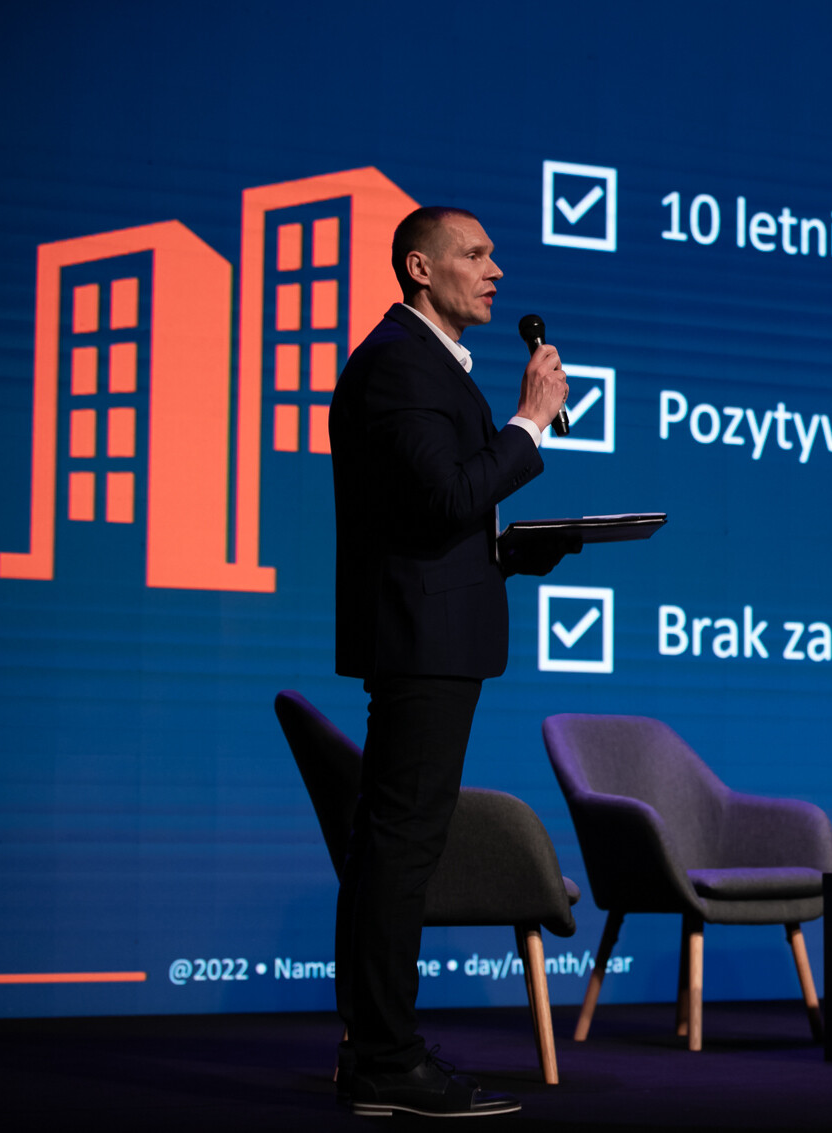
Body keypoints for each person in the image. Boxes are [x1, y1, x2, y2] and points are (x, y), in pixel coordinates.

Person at [328, 206, 571, 1118]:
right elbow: (444, 497)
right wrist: (529, 422)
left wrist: (512, 550)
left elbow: (437, 514)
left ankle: (373, 1050)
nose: (496, 269)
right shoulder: (400, 363)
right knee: (400, 847)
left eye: (495, 254)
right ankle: (386, 1059)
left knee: (394, 844)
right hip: (419, 638)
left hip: (434, 628)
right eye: (476, 253)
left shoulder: (429, 366)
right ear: (420, 269)